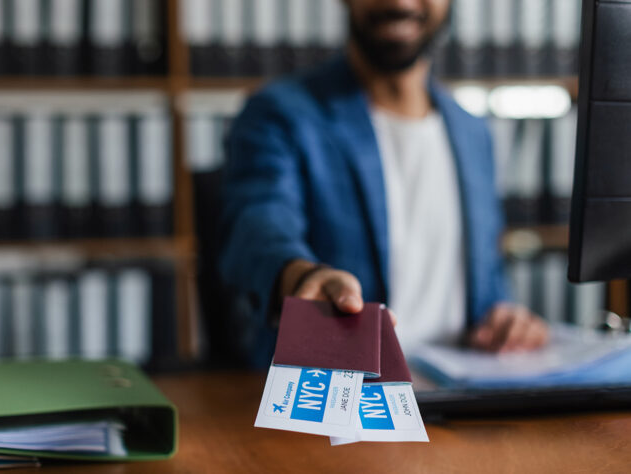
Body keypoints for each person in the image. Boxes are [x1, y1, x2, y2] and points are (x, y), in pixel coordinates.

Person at [219, 0, 548, 366]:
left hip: (463, 397)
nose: (400, 2)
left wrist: (506, 319)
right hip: (341, 398)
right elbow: (255, 223)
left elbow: (487, 279)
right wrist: (302, 277)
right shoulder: (279, 114)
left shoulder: (473, 132)